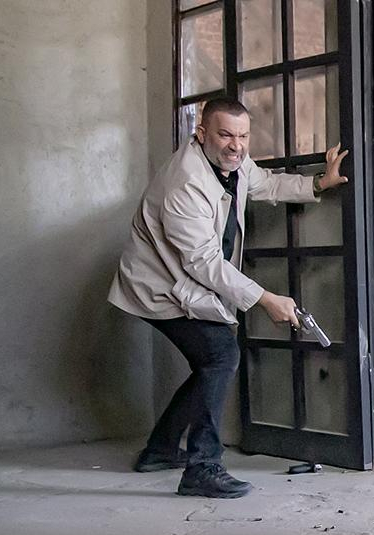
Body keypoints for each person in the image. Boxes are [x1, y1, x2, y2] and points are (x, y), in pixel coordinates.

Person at [108, 97, 348, 498]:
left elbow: (264, 183)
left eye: (243, 136)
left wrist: (318, 183)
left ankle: (160, 450)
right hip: (157, 287)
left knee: (212, 362)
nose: (236, 145)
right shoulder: (186, 183)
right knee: (220, 356)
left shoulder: (232, 163)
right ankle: (202, 468)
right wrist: (265, 298)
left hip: (184, 279)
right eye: (225, 135)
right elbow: (202, 262)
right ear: (202, 134)